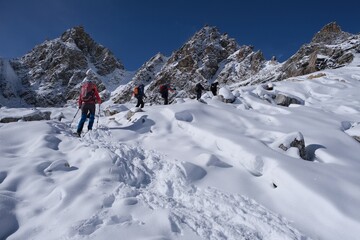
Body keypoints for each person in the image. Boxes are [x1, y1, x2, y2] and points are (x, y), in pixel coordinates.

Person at [76, 69, 102, 136]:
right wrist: (99, 101)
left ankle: (79, 131)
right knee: (92, 117)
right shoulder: (93, 87)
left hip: (84, 104)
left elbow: (80, 97)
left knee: (83, 117)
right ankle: (89, 130)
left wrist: (80, 105)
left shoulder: (83, 88)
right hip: (92, 105)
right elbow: (97, 95)